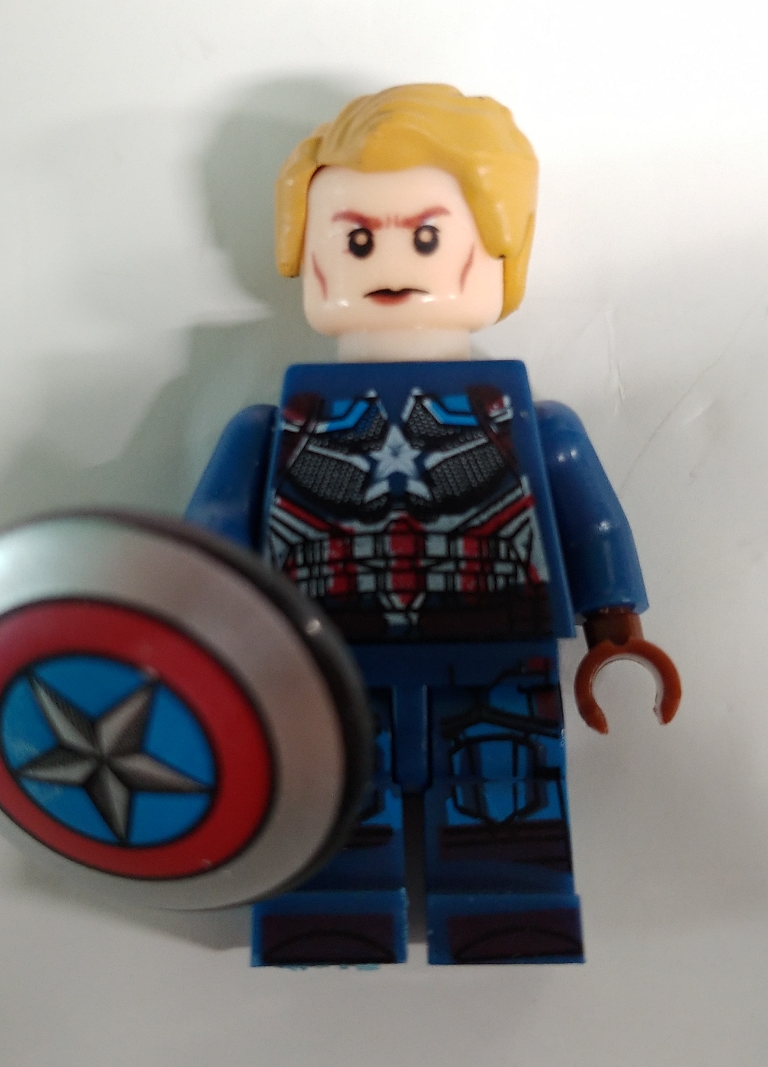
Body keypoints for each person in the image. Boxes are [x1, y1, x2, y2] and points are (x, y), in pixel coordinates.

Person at [185, 84, 680, 965]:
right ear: (307, 254)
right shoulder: (269, 429)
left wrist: (613, 618)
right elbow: (215, 528)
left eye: (425, 237)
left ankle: (509, 902)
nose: (388, 262)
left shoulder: (535, 424)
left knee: (505, 776)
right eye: (357, 239)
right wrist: (197, 628)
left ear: (500, 255)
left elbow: (589, 518)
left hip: (496, 641)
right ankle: (329, 906)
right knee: (331, 783)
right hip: (318, 654)